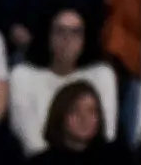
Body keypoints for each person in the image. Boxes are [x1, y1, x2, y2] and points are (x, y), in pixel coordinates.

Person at [8, 10, 115, 155]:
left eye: (75, 32)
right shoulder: (22, 76)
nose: (67, 39)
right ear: (48, 35)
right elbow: (30, 141)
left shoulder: (102, 74)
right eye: (60, 31)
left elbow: (107, 133)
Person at [22, 81, 126, 165]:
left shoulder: (119, 161)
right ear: (60, 115)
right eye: (74, 111)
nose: (84, 118)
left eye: (92, 111)